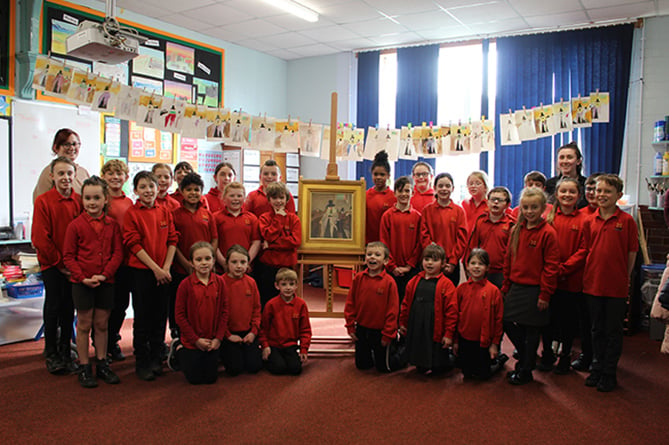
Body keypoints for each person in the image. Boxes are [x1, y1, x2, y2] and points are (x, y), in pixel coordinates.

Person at [63, 176, 123, 388]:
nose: (92, 202)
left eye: (97, 198)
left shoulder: (112, 225)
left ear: (105, 199)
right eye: (88, 198)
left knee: (101, 324)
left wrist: (105, 275)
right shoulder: (75, 226)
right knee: (85, 324)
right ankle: (84, 366)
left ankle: (102, 363)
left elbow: (117, 253)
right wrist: (82, 278)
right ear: (82, 200)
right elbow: (68, 256)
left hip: (106, 281)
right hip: (82, 282)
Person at [582, 174, 638, 392]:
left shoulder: (627, 221)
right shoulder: (589, 220)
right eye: (599, 191)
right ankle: (596, 368)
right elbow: (587, 250)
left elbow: (631, 252)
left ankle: (609, 371)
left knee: (613, 330)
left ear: (618, 195)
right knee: (596, 329)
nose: (601, 195)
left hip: (616, 286)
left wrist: (625, 278)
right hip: (593, 284)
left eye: (607, 191)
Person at [123, 171, 178, 381]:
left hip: (163, 271)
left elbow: (173, 239)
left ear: (158, 189)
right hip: (142, 272)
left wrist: (165, 268)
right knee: (143, 318)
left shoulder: (165, 211)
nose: (148, 191)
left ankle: (157, 357)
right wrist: (155, 269)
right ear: (136, 190)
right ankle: (142, 360)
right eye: (143, 187)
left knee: (160, 316)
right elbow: (133, 243)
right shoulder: (132, 213)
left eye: (151, 186)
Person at [501, 187, 560, 385]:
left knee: (532, 330)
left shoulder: (548, 233)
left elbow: (551, 267)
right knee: (506, 320)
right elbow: (509, 259)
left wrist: (545, 294)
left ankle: (525, 370)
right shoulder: (517, 230)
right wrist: (506, 285)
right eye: (525, 207)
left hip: (536, 289)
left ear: (543, 208)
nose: (529, 211)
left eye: (534, 207)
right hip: (517, 287)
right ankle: (528, 356)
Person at [32, 156, 82, 374]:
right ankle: (51, 351)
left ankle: (65, 351)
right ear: (52, 176)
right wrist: (60, 264)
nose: (65, 178)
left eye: (69, 174)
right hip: (52, 265)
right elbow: (41, 238)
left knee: (68, 309)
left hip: (72, 266)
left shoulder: (80, 200)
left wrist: (72, 264)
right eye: (61, 173)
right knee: (53, 306)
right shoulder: (43, 201)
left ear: (74, 176)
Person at [538, 177, 588, 374]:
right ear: (556, 194)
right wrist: (551, 270)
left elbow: (584, 250)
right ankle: (548, 353)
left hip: (571, 279)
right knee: (548, 319)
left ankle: (565, 355)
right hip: (549, 278)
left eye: (572, 192)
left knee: (568, 321)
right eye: (563, 191)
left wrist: (564, 268)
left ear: (579, 195)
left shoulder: (585, 220)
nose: (567, 195)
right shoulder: (548, 216)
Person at [171, 242, 229, 385]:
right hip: (192, 340)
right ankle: (178, 348)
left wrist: (218, 339)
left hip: (212, 340)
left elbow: (224, 312)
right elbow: (179, 315)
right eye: (199, 260)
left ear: (214, 260)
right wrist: (195, 340)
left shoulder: (220, 282)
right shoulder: (185, 285)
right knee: (194, 379)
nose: (204, 263)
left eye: (208, 259)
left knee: (210, 379)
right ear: (191, 262)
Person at [170, 173, 218, 340]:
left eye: (196, 190)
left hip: (204, 269)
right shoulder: (175, 215)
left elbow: (214, 238)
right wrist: (185, 263)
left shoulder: (207, 214)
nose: (193, 193)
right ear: (181, 192)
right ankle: (178, 338)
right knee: (181, 305)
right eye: (188, 190)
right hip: (181, 268)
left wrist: (209, 261)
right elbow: (172, 242)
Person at [399, 244, 457, 375]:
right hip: (417, 323)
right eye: (427, 259)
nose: (430, 263)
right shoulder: (413, 281)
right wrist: (402, 323)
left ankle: (446, 362)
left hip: (435, 326)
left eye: (435, 260)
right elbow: (406, 304)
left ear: (443, 264)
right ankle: (421, 363)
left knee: (439, 368)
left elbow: (451, 312)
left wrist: (448, 334)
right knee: (419, 360)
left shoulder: (447, 285)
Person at [344, 242, 399, 372]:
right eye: (369, 254)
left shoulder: (389, 282)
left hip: (381, 331)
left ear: (385, 261)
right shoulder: (358, 278)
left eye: (377, 255)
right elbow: (350, 303)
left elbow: (393, 310)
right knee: (362, 366)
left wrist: (388, 334)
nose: (372, 257)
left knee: (384, 368)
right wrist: (350, 326)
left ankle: (401, 352)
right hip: (362, 329)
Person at [101, 159, 133, 362]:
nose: (115, 177)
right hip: (106, 261)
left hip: (126, 262)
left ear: (126, 178)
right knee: (106, 306)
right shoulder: (101, 200)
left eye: (119, 173)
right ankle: (102, 344)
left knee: (121, 304)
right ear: (104, 176)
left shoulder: (129, 202)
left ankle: (113, 339)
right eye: (110, 173)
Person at [455, 248, 505, 380]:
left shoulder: (493, 291)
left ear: (487, 268)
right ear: (467, 266)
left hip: (484, 341)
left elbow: (499, 320)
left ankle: (499, 361)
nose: (476, 267)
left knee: (483, 375)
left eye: (481, 264)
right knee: (467, 374)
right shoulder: (461, 289)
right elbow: (455, 316)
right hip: (465, 339)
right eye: (473, 263)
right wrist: (455, 341)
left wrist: (495, 344)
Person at [220, 245, 263, 376]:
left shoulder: (251, 282)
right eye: (234, 262)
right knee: (234, 370)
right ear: (227, 263)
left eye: (243, 262)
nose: (239, 266)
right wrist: (228, 335)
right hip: (228, 333)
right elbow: (218, 314)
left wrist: (253, 332)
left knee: (254, 367)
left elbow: (257, 310)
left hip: (248, 332)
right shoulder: (220, 282)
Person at [259, 268, 312, 375]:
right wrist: (265, 345)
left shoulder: (301, 305)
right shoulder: (271, 305)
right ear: (277, 286)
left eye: (291, 284)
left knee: (295, 369)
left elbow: (305, 329)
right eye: (284, 284)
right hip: (274, 345)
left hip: (290, 345)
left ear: (296, 285)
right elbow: (263, 328)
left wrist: (303, 349)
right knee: (278, 368)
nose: (288, 288)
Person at [257, 181, 301, 307]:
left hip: (287, 265)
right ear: (269, 200)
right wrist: (279, 219)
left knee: (287, 299)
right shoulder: (264, 218)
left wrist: (271, 245)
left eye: (281, 197)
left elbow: (295, 241)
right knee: (267, 299)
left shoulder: (294, 219)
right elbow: (268, 235)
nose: (278, 201)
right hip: (268, 265)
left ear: (287, 199)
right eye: (274, 198)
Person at [420, 172, 468, 286]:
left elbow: (462, 239)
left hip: (451, 266)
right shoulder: (427, 210)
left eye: (447, 186)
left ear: (453, 188)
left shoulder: (459, 211)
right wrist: (434, 259)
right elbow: (424, 235)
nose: (444, 189)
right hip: (432, 264)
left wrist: (452, 262)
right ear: (435, 188)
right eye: (440, 186)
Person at [380, 176, 422, 304]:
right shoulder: (387, 216)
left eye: (407, 191)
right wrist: (392, 266)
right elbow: (384, 243)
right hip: (391, 270)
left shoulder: (418, 217)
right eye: (400, 191)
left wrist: (409, 266)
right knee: (391, 302)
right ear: (395, 193)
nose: (404, 194)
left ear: (413, 193)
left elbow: (419, 244)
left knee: (409, 302)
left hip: (411, 270)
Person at [465, 186, 515, 289]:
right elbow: (473, 246)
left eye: (500, 200)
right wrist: (469, 266)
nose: (495, 202)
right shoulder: (480, 221)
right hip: (481, 270)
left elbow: (512, 253)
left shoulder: (511, 225)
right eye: (492, 199)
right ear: (487, 202)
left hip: (501, 273)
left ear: (507, 204)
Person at [33, 128, 91, 202]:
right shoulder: (49, 172)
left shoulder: (83, 172)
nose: (72, 148)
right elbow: (40, 202)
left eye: (75, 144)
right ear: (56, 147)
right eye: (67, 144)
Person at [214, 182, 261, 270]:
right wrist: (224, 263)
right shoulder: (216, 217)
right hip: (222, 268)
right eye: (232, 196)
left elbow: (256, 242)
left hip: (246, 268)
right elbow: (213, 243)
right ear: (224, 198)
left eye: (239, 196)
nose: (235, 199)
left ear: (244, 198)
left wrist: (246, 261)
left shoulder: (252, 218)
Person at [365, 150, 396, 244]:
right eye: (375, 174)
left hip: (387, 244)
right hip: (368, 244)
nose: (378, 177)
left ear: (388, 176)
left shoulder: (394, 197)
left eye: (382, 174)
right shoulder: (365, 195)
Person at [545, 142, 587, 208]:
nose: (565, 161)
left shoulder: (586, 185)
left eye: (569, 157)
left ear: (578, 161)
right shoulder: (549, 184)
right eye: (562, 157)